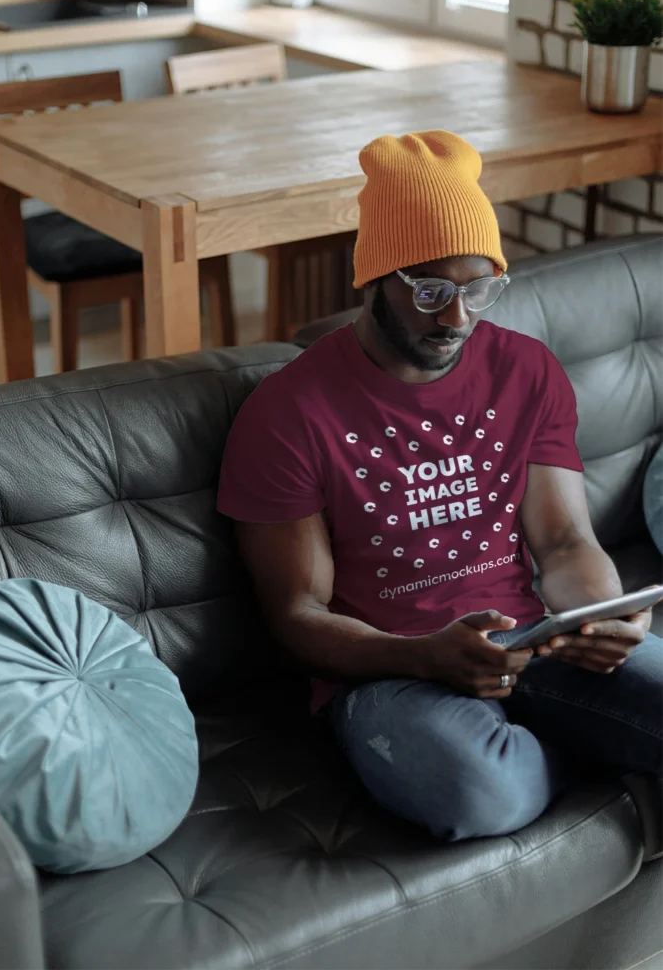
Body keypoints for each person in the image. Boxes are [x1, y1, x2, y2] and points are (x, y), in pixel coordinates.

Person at [217, 129, 663, 841]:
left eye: (478, 288)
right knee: (480, 794)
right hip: (389, 673)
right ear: (371, 279)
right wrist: (421, 653)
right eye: (428, 291)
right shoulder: (287, 414)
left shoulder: (525, 370)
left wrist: (601, 617)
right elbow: (297, 614)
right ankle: (603, 750)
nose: (455, 318)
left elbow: (563, 539)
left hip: (532, 643)